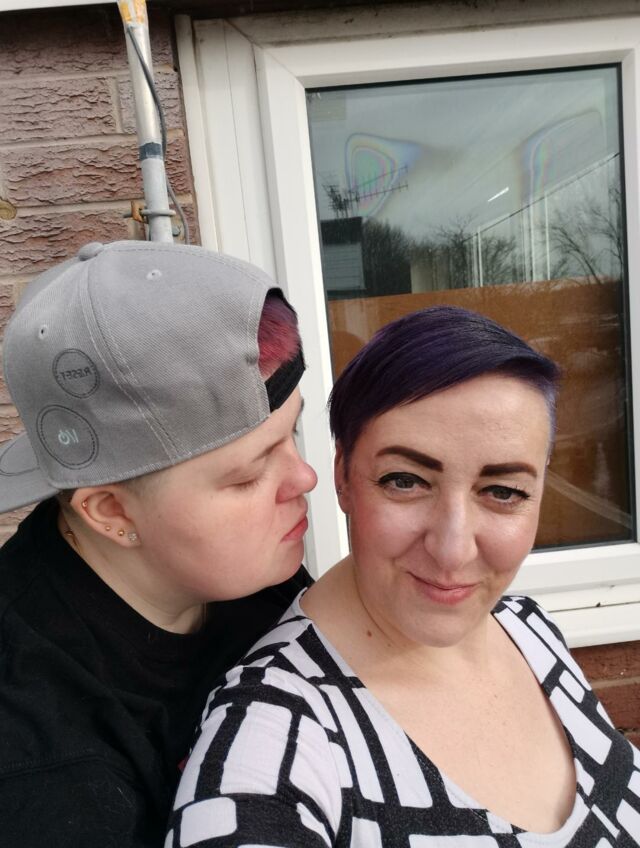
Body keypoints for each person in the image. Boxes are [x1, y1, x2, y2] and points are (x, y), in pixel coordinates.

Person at [169, 306, 640, 847]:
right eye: (405, 481)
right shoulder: (271, 732)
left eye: (503, 491)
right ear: (343, 477)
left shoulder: (528, 628)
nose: (452, 549)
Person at [0, 240, 318, 847]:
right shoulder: (40, 766)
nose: (304, 479)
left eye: (293, 433)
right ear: (112, 511)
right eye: (249, 474)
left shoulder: (249, 572)